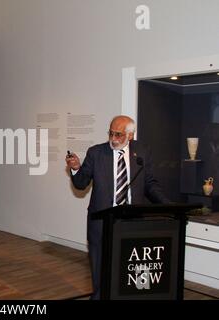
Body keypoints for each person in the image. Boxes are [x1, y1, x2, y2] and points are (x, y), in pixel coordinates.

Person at [65, 115, 170, 300]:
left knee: (133, 266)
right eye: (111, 133)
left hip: (132, 220)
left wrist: (168, 206)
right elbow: (81, 184)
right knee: (100, 266)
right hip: (102, 220)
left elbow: (150, 184)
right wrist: (75, 168)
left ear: (130, 135)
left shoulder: (142, 151)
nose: (113, 139)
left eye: (118, 135)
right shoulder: (96, 153)